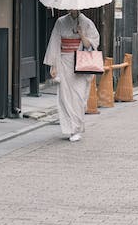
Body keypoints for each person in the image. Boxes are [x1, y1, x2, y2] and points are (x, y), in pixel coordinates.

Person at [43, 9, 100, 142]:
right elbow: (55, 43)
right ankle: (70, 129)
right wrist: (54, 65)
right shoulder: (60, 22)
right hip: (64, 61)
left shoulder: (87, 22)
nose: (73, 8)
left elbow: (92, 45)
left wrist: (82, 34)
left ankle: (77, 128)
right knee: (65, 96)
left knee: (79, 97)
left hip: (81, 62)